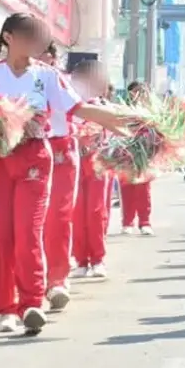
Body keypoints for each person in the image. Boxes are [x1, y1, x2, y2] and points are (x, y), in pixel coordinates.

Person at [0, 12, 134, 335]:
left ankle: (31, 303)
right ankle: (5, 308)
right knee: (1, 236)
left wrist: (121, 119)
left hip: (35, 158)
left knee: (29, 232)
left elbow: (79, 108)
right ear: (8, 37)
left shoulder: (47, 76)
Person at [38, 42, 81, 311]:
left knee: (58, 218)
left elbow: (84, 112)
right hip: (25, 150)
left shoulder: (63, 82)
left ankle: (57, 281)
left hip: (60, 151)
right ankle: (29, 283)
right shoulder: (11, 79)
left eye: (41, 51)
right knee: (28, 222)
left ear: (52, 58)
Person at [70, 60, 113, 279]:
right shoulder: (69, 103)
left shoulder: (104, 106)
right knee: (76, 212)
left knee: (96, 211)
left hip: (97, 163)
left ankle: (97, 259)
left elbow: (114, 133)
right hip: (73, 161)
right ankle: (81, 260)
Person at [119, 81, 154, 235]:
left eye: (142, 91)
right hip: (125, 153)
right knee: (127, 188)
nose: (139, 94)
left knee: (143, 189)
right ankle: (127, 222)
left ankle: (145, 222)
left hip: (144, 154)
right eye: (136, 91)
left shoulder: (151, 111)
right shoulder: (123, 109)